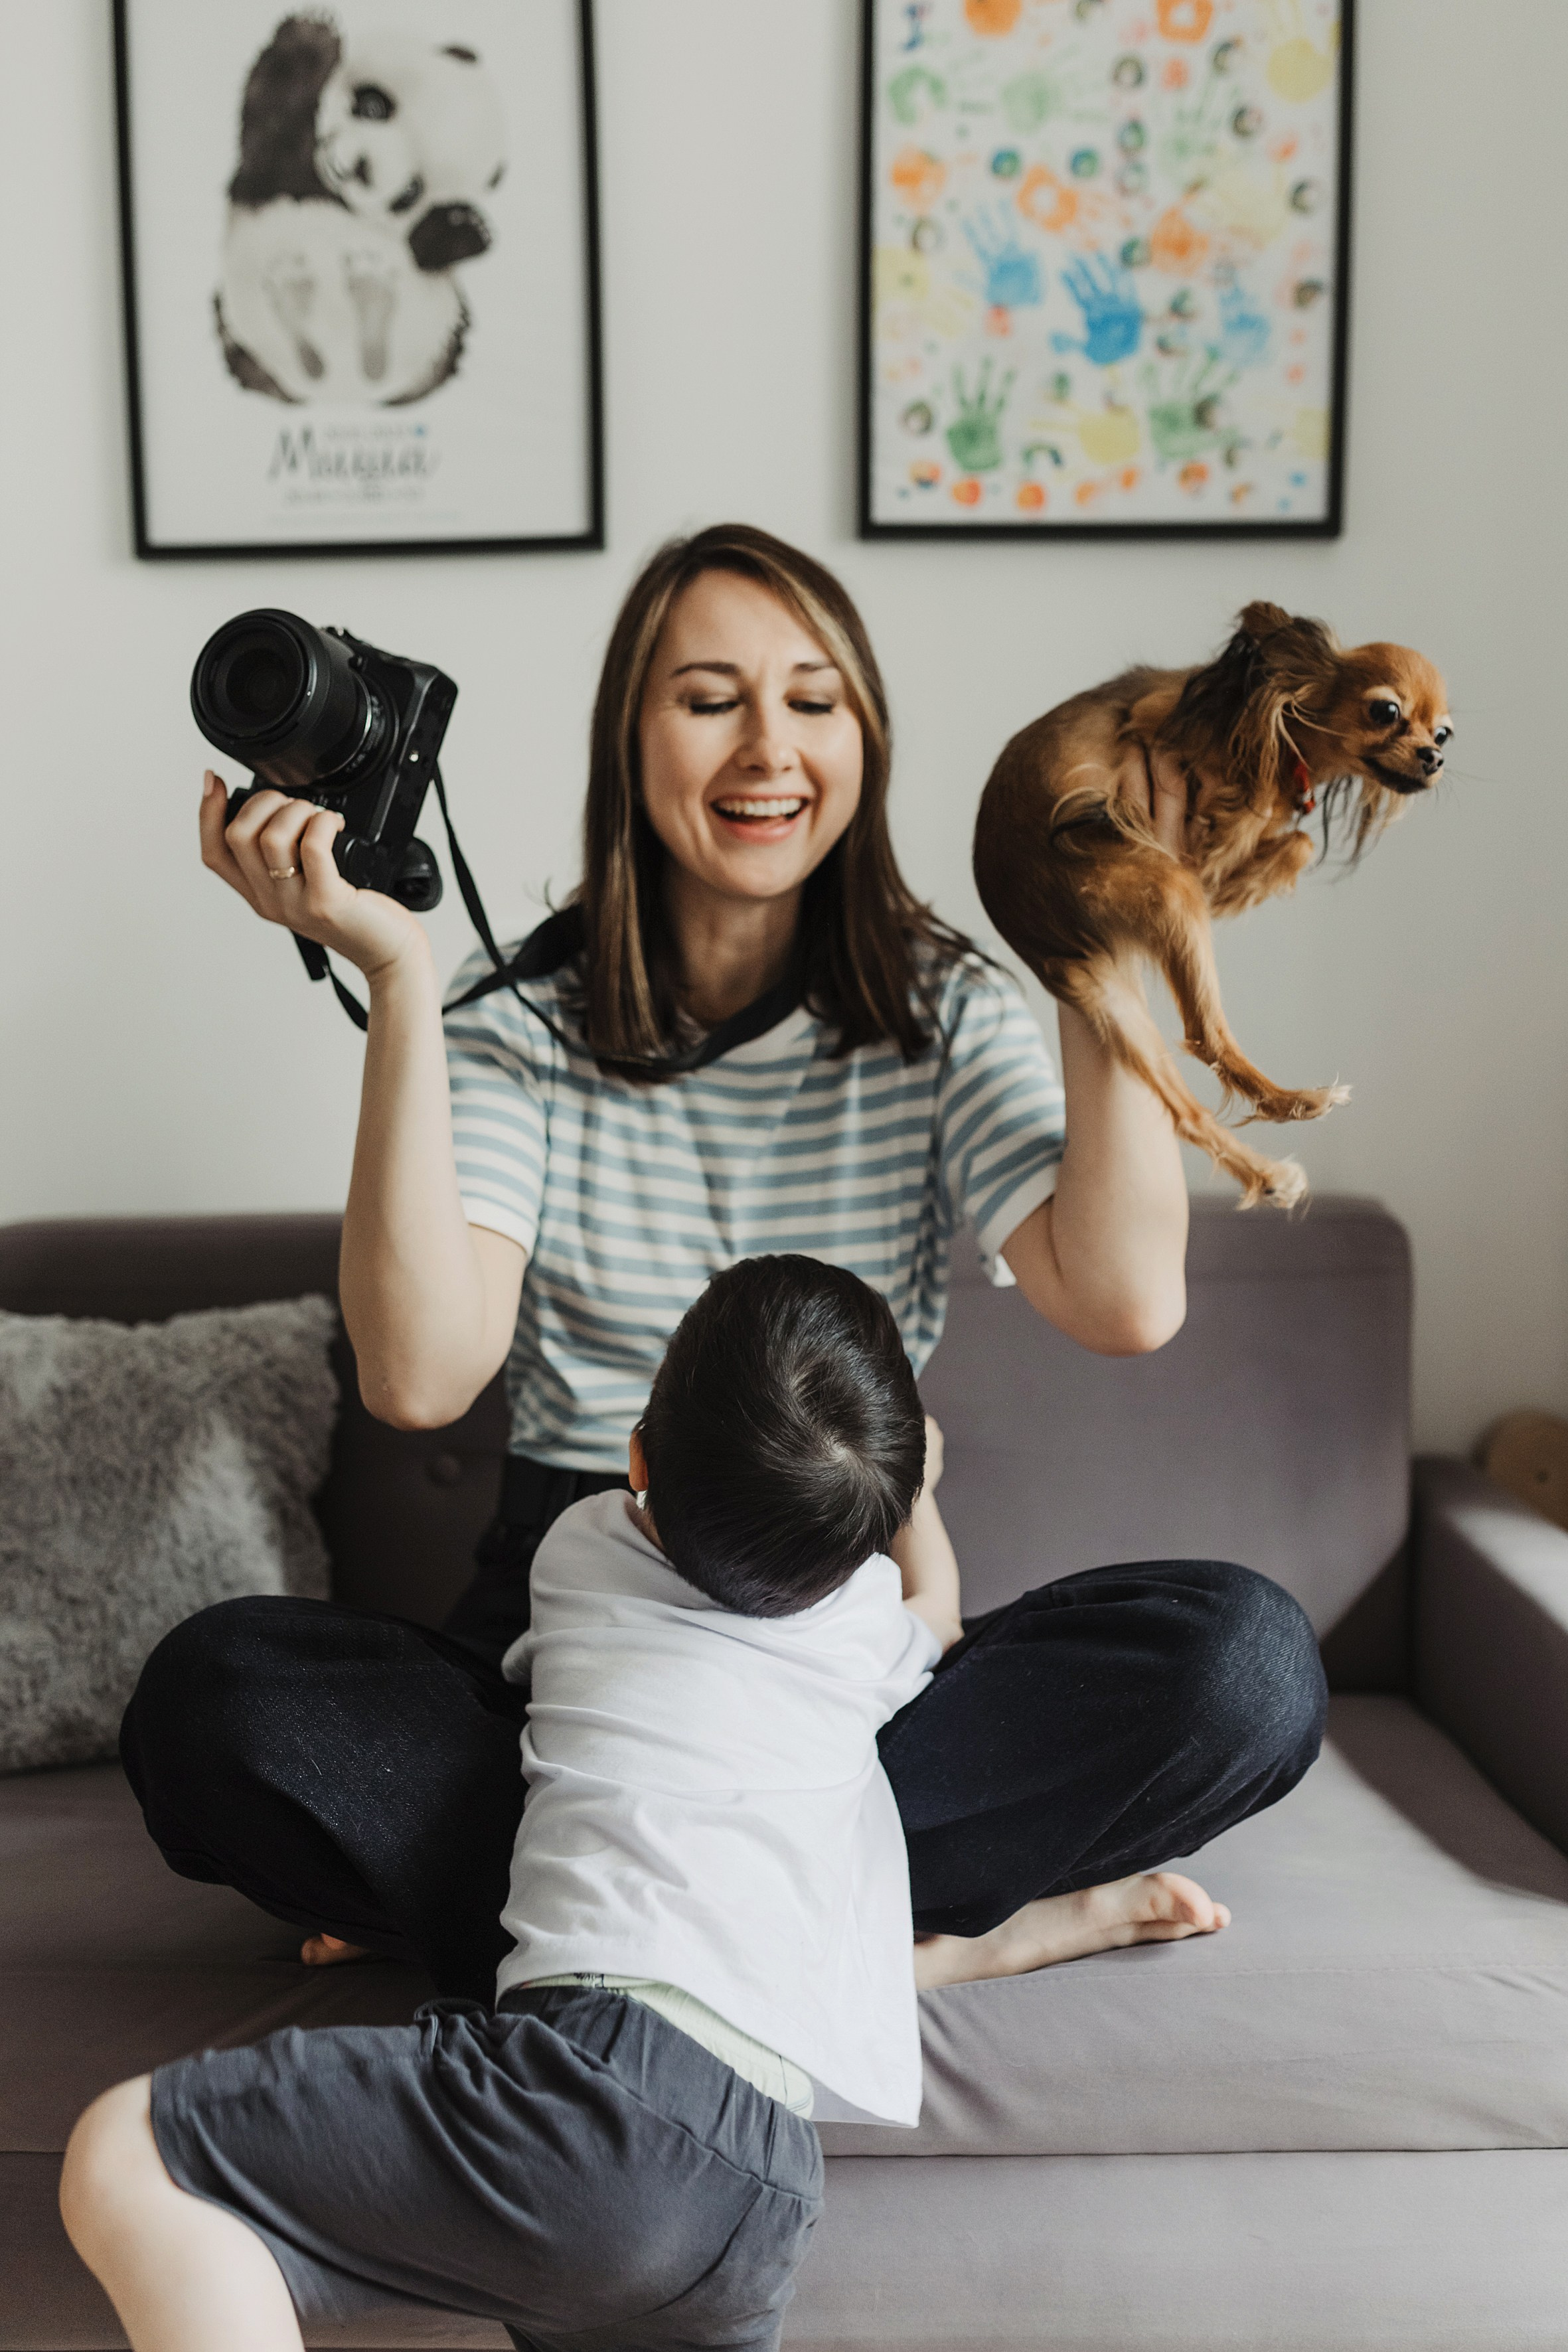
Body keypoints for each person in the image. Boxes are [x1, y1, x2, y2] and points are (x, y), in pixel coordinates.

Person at [121, 521, 1325, 2003]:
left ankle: (573, 1915)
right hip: (562, 1650)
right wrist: (396, 978)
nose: (769, 747)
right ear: (630, 735)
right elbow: (420, 1374)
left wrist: (1120, 914)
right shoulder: (516, 1025)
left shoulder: (941, 1011)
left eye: (814, 700)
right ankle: (843, 1922)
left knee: (1247, 1664)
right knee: (210, 1698)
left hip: (844, 1620)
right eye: (708, 698)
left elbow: (1125, 1298)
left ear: (864, 740)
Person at [64, 1255, 1016, 2350]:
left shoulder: (587, 1546)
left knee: (133, 2155)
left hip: (595, 2087)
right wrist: (922, 1505)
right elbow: (935, 1618)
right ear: (870, 1532)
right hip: (763, 2179)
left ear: (635, 1463)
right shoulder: (863, 1627)